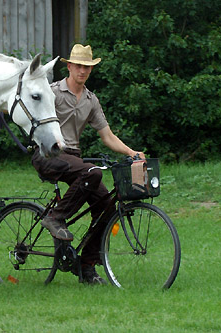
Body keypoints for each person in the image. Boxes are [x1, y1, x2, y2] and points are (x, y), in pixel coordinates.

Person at [32, 44, 145, 285]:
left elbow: (107, 136)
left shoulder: (91, 100)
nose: (83, 71)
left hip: (73, 158)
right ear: (70, 67)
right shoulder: (52, 92)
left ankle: (87, 266)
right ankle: (55, 218)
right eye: (79, 66)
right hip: (48, 155)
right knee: (92, 172)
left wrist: (131, 152)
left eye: (88, 67)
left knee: (107, 207)